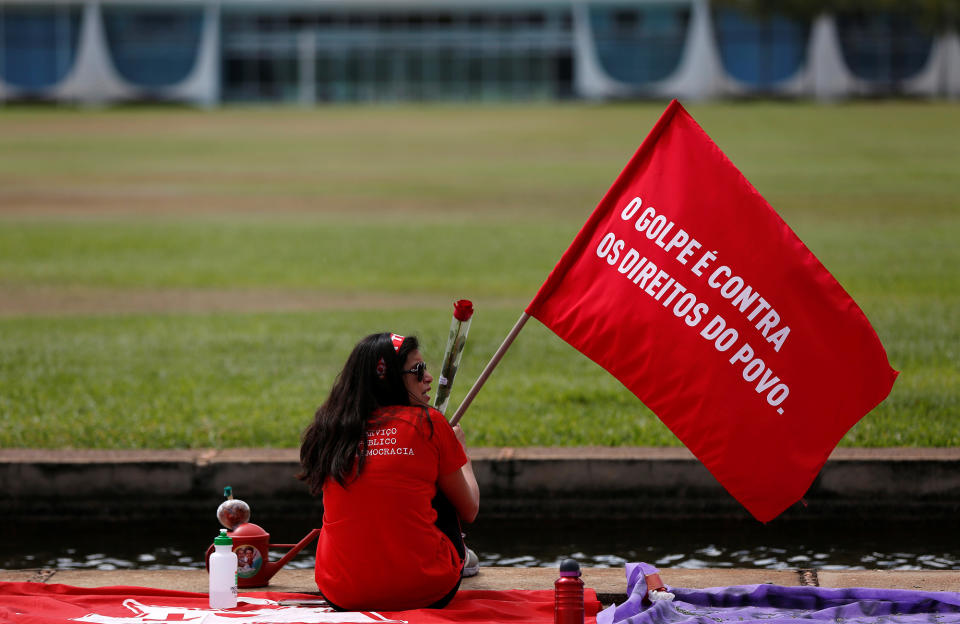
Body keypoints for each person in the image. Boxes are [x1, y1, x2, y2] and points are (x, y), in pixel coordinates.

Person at [298, 332, 480, 612]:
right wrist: (461, 453)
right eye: (418, 371)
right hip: (428, 590)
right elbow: (469, 509)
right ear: (390, 378)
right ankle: (457, 557)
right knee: (441, 487)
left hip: (340, 592)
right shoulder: (429, 423)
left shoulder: (330, 428)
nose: (429, 377)